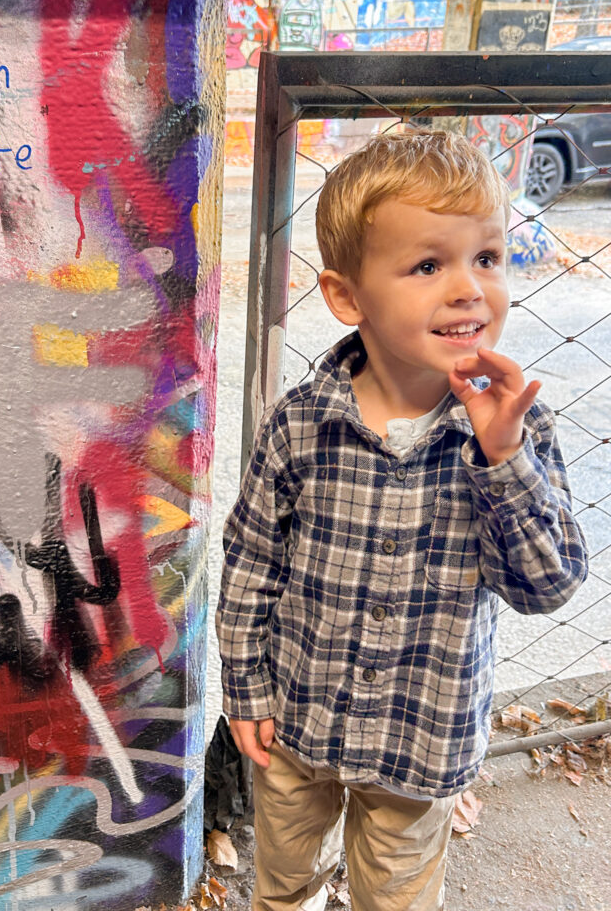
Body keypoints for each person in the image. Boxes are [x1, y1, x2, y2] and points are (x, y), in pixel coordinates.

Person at [216, 130, 588, 911]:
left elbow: (547, 585)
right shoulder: (299, 424)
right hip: (299, 725)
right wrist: (246, 690)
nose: (468, 289)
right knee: (282, 881)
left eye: (486, 258)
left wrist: (503, 461)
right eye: (428, 265)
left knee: (398, 897)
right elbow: (251, 562)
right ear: (348, 297)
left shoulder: (516, 431)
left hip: (420, 743)